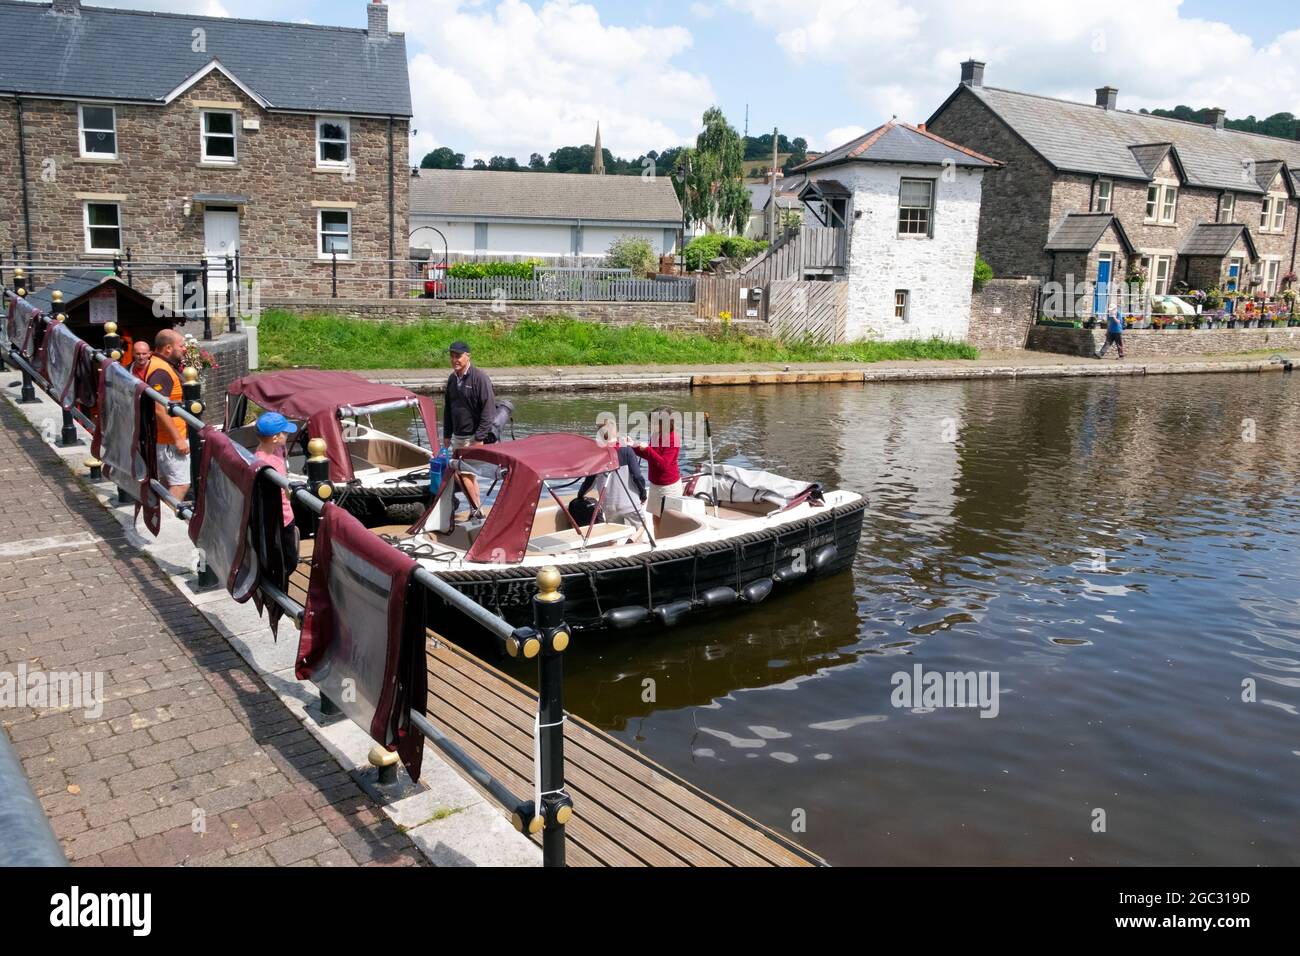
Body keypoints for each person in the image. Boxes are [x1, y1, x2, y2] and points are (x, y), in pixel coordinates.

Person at [442, 340, 496, 518]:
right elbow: (448, 408)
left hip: (473, 437)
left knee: (460, 473)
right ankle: (477, 507)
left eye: (458, 356)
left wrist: (480, 437)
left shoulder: (479, 378)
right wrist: (447, 434)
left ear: (468, 356)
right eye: (452, 356)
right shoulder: (452, 379)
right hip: (458, 436)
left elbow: (488, 409)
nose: (454, 360)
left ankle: (477, 511)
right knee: (469, 474)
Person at [574, 423, 649, 536]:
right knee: (642, 527)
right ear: (617, 433)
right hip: (630, 504)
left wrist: (580, 495)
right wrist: (643, 494)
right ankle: (632, 542)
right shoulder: (626, 450)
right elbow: (637, 477)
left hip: (609, 506)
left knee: (615, 536)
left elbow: (589, 483)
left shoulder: (596, 455)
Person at [252, 412, 300, 578]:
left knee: (286, 556)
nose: (287, 435)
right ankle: (279, 595)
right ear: (274, 438)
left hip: (287, 513)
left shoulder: (278, 448)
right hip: (282, 517)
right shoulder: (264, 463)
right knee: (288, 562)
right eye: (285, 433)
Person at [145, 329, 190, 502]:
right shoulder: (161, 371)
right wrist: (177, 438)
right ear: (168, 348)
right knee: (181, 484)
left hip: (165, 439)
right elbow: (158, 407)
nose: (185, 349)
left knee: (165, 482)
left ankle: (157, 516)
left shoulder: (157, 364)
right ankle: (165, 524)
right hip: (170, 440)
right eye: (181, 345)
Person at [628, 405, 682, 533]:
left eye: (654, 422)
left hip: (669, 486)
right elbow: (651, 456)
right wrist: (633, 446)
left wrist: (647, 449)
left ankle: (670, 541)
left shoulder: (673, 438)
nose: (652, 425)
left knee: (670, 519)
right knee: (655, 516)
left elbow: (664, 464)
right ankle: (659, 537)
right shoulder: (656, 435)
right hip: (655, 484)